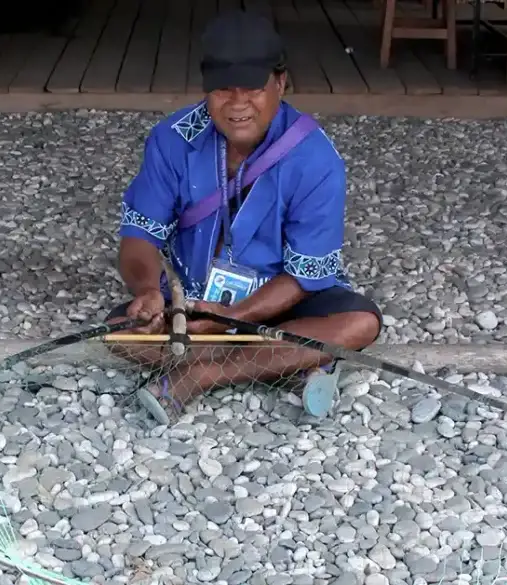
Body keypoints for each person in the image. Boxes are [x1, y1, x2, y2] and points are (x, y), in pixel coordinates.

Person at [106, 10, 382, 424]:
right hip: (192, 302)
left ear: (280, 83)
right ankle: (290, 363)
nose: (237, 105)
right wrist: (147, 289)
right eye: (222, 90)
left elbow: (307, 274)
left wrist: (233, 319)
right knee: (120, 332)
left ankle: (202, 375)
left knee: (360, 323)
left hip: (283, 303)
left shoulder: (316, 160)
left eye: (252, 88)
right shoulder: (172, 139)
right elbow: (139, 236)